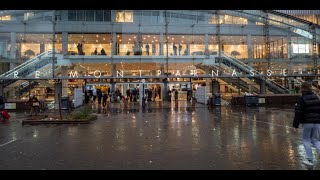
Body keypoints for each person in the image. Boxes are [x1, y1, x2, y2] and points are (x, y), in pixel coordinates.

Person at [293, 81, 320, 166]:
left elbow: (298, 113)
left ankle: (310, 160)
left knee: (306, 140)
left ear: (302, 88)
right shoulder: (316, 97)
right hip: (317, 122)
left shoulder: (302, 98)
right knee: (316, 140)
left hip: (307, 122)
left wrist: (295, 125)